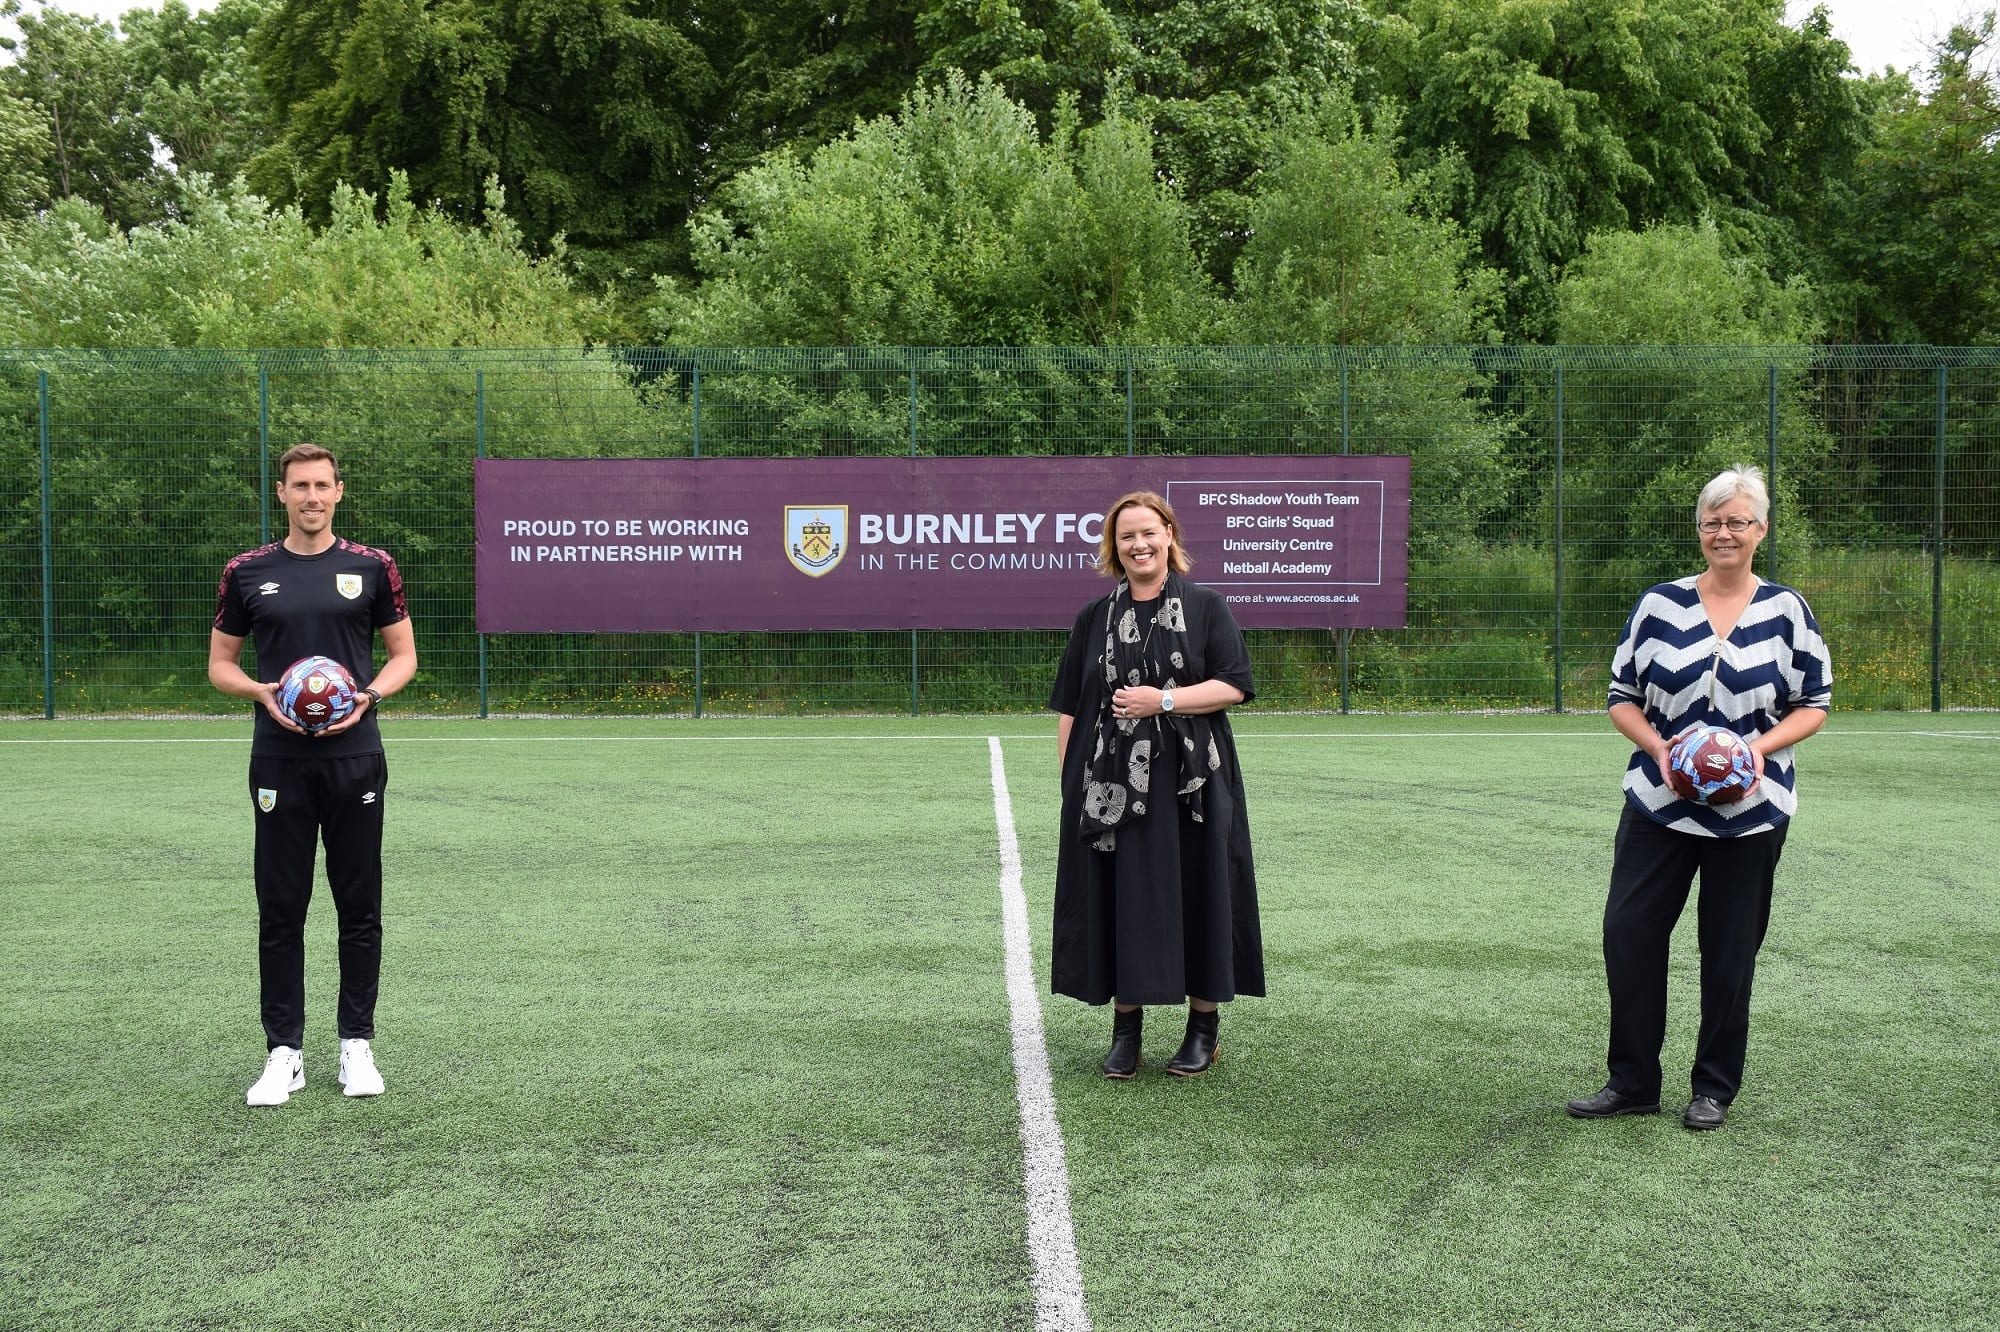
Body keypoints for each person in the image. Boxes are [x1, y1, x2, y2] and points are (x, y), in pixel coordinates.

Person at [1567, 465, 1830, 1130]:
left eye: (1737, 521)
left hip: (1751, 812)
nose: (1724, 533)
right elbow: (1621, 697)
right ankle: (1631, 1082)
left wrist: (1754, 753)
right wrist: (1662, 752)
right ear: (1699, 530)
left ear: (1760, 531)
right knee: (1627, 934)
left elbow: (1815, 703)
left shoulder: (1786, 611)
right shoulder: (1660, 606)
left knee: (1729, 949)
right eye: (1712, 521)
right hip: (1659, 803)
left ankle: (1713, 1086)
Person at [209, 443, 417, 1106]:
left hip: (356, 759)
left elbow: (403, 655)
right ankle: (284, 1054)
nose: (311, 497)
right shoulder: (248, 572)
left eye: (322, 485)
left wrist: (370, 696)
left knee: (359, 906)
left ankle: (356, 1045)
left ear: (339, 491)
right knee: (281, 909)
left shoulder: (371, 566)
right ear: (281, 493)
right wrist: (262, 693)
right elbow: (220, 666)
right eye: (300, 486)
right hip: (277, 760)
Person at [1048, 490, 1263, 1079]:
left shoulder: (1205, 606)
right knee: (1122, 897)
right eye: (1126, 536)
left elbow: (1234, 686)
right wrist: (1071, 788)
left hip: (1193, 784)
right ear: (1113, 548)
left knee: (1200, 892)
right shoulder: (1095, 617)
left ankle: (1202, 1030)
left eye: (1148, 532)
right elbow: (1072, 705)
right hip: (1111, 786)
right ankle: (1126, 1032)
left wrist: (1161, 701)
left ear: (1170, 535)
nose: (1138, 544)